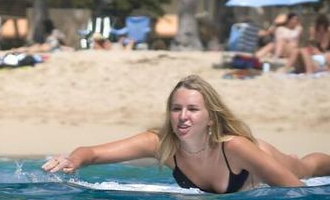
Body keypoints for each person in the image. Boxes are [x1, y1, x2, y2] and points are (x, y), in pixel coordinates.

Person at [42, 75, 330, 193]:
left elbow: (296, 191)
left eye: (192, 109)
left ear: (209, 117)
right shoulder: (161, 143)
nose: (183, 116)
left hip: (260, 156)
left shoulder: (236, 147)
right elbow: (92, 153)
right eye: (176, 108)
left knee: (304, 167)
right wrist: (74, 160)